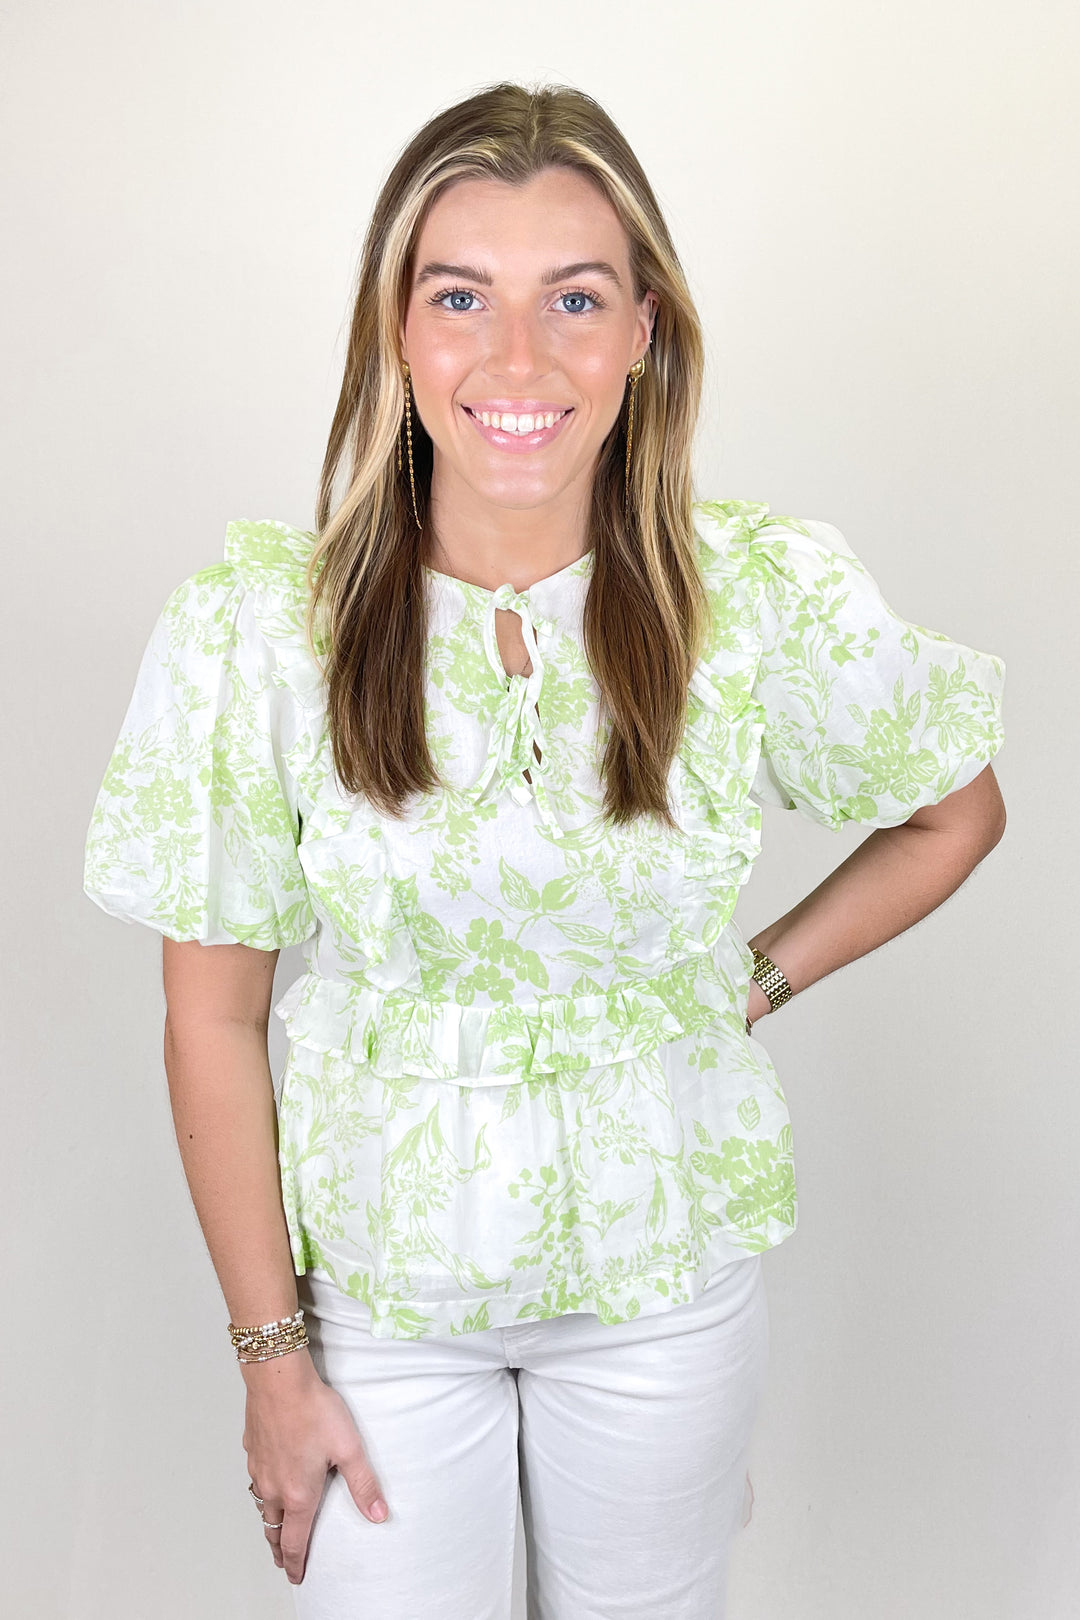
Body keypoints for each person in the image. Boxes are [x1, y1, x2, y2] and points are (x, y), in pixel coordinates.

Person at [82, 80, 1007, 1620]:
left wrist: (752, 981)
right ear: (398, 330)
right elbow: (212, 1013)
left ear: (644, 332)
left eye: (575, 298)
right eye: (462, 297)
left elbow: (953, 811)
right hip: (376, 1301)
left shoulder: (755, 598)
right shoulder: (262, 630)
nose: (518, 359)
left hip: (664, 1291)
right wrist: (271, 1360)